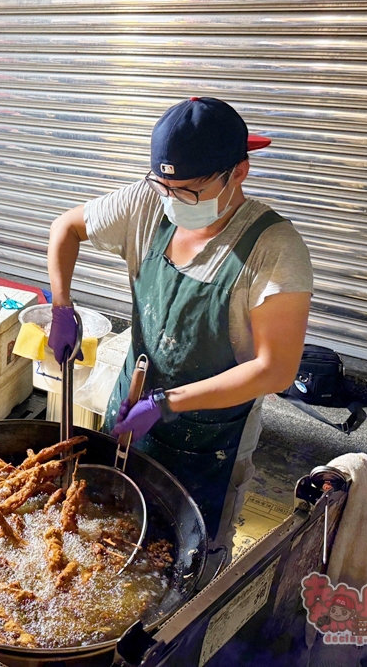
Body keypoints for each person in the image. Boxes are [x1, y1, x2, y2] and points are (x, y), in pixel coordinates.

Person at [47, 97, 313, 554]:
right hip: (132, 405)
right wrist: (61, 306)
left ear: (238, 172)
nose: (172, 201)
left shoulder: (276, 250)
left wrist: (169, 403)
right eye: (165, 187)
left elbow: (276, 370)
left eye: (189, 191)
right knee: (109, 530)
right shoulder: (148, 203)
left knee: (192, 552)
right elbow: (65, 228)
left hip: (210, 440)